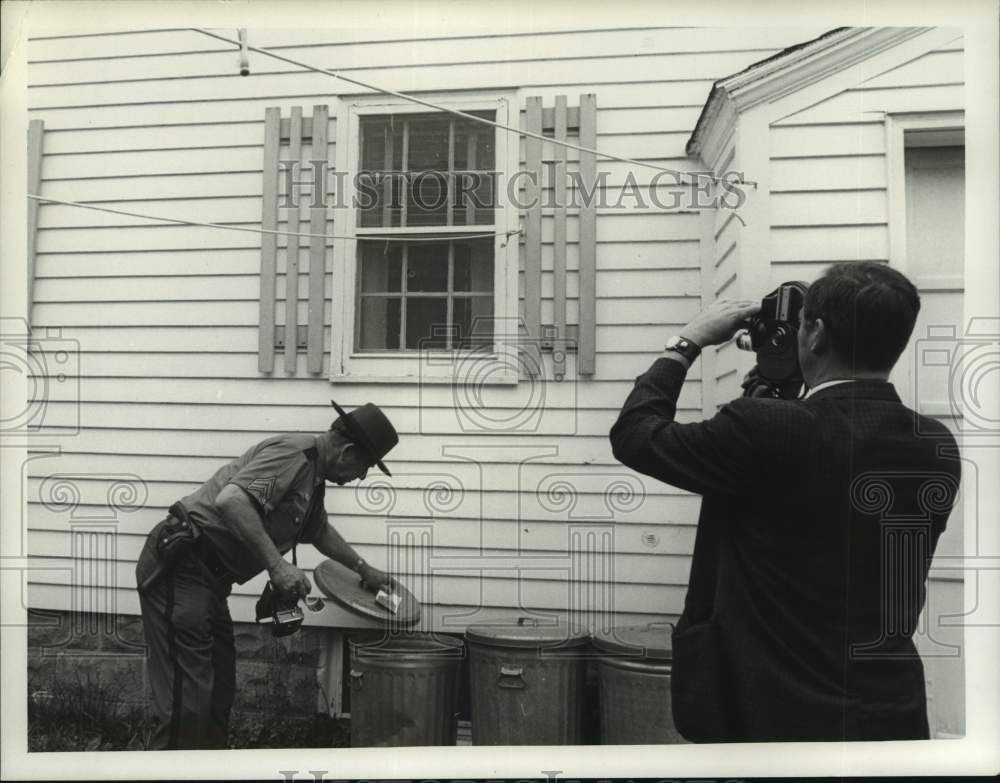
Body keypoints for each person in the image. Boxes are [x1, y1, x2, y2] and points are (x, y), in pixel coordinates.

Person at [610, 261, 961, 742]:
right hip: (886, 711)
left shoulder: (767, 429)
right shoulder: (935, 443)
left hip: (771, 715)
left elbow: (636, 435)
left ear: (814, 334)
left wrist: (686, 341)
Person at [136, 400, 399, 750]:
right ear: (347, 451)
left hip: (210, 582)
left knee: (217, 693)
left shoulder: (313, 476)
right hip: (182, 568)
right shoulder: (293, 456)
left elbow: (318, 531)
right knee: (186, 700)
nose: (360, 477)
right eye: (364, 468)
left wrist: (364, 570)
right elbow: (232, 501)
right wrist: (277, 566)